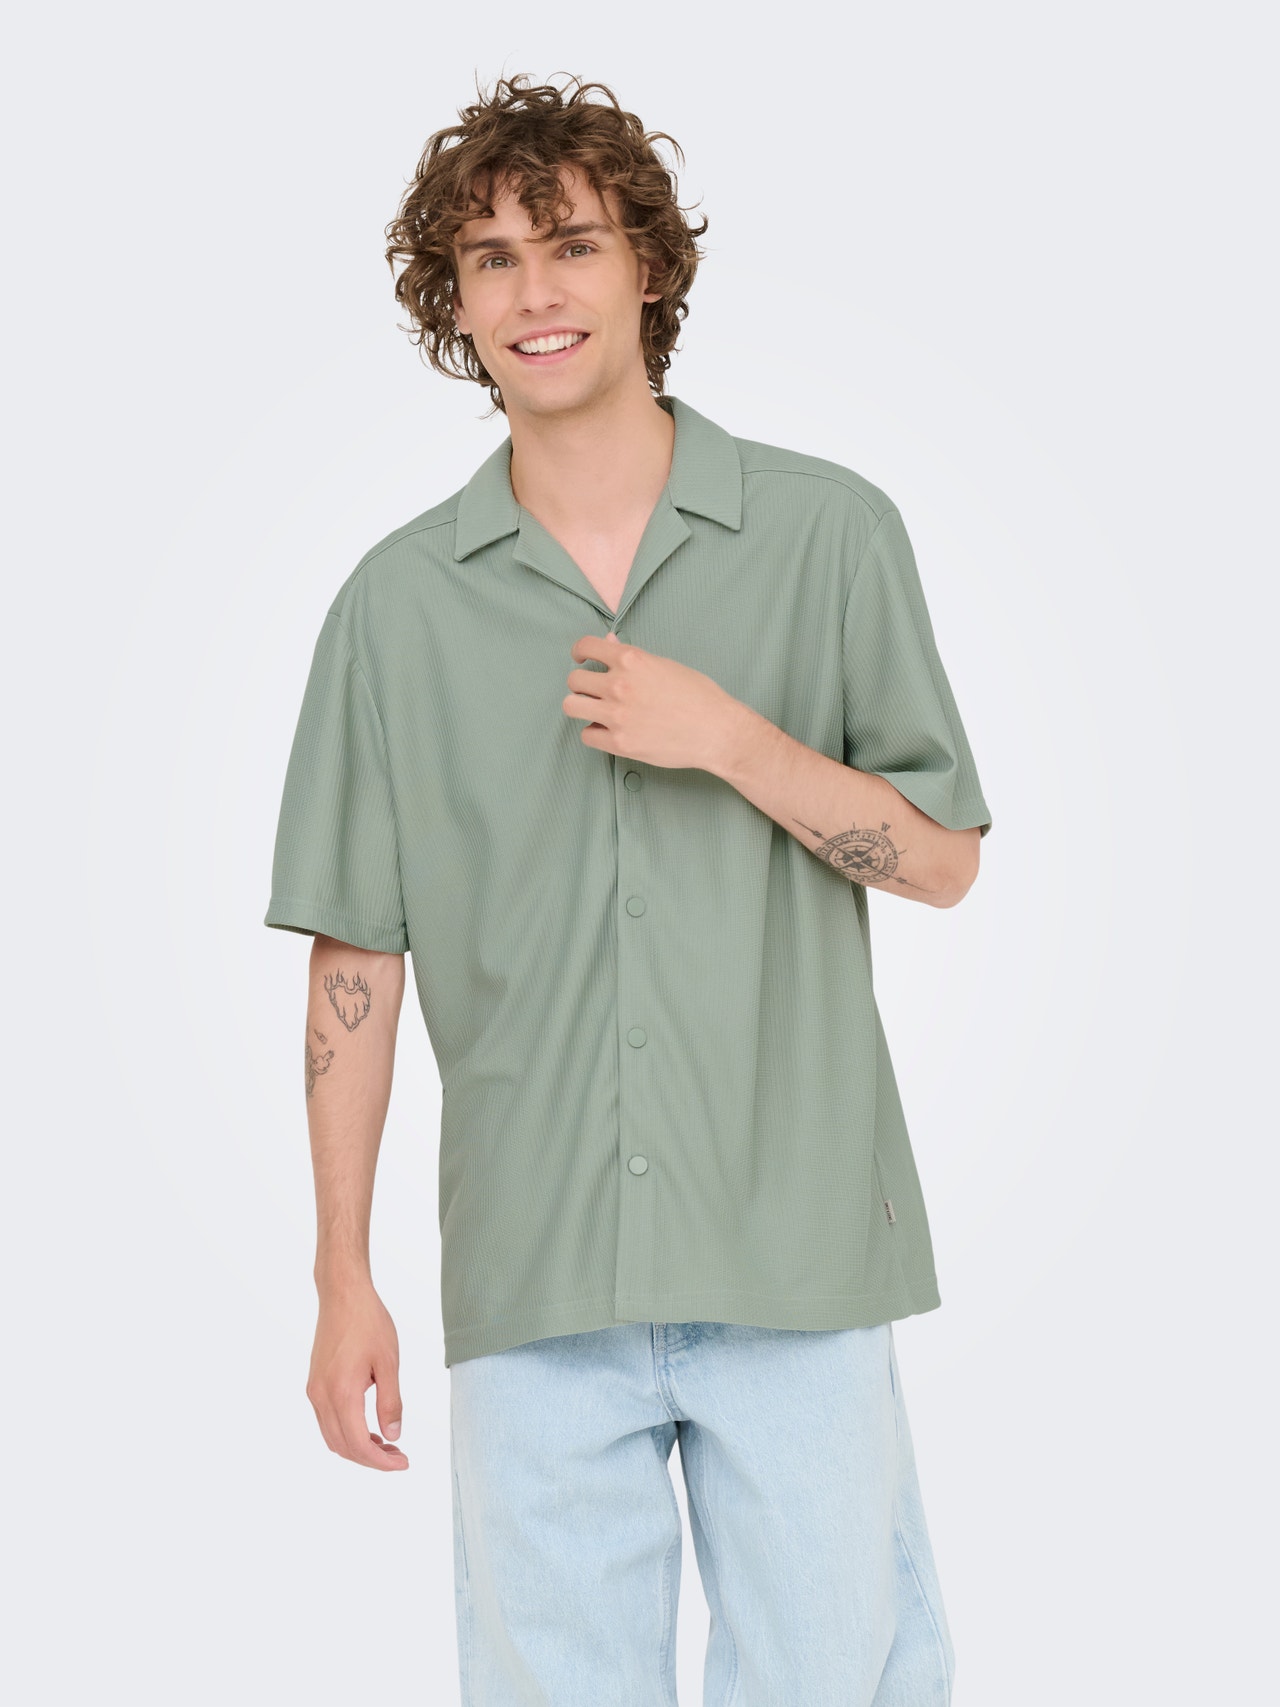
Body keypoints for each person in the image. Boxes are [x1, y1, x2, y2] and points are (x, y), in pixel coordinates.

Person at [265, 71, 992, 1707]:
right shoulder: (393, 611)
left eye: (573, 244)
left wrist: (733, 741)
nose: (536, 291)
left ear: (648, 266)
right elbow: (352, 962)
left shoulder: (828, 536)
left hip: (798, 1256)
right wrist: (340, 1273)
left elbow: (945, 861)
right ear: (455, 304)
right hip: (533, 1280)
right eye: (493, 258)